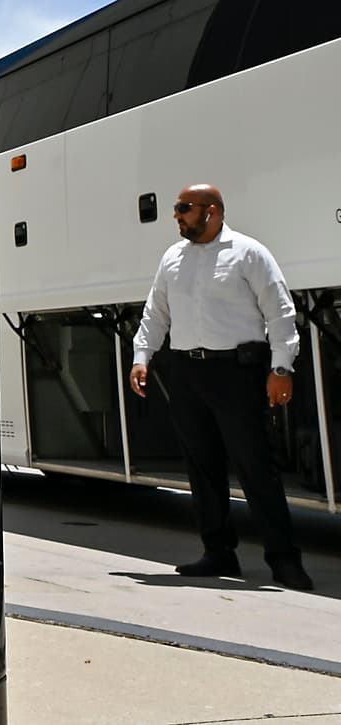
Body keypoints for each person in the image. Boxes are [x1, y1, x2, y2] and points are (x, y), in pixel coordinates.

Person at [130, 184, 312, 591]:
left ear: (210, 211)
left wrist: (281, 367)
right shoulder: (173, 258)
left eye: (183, 208)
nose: (176, 216)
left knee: (255, 466)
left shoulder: (248, 253)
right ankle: (218, 552)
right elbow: (156, 312)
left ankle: (284, 559)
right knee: (202, 466)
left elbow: (280, 312)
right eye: (177, 209)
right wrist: (142, 356)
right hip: (186, 372)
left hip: (236, 372)